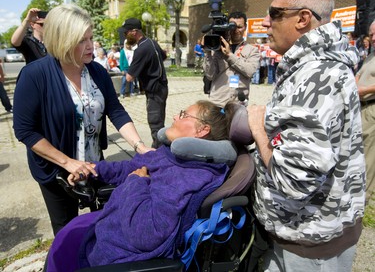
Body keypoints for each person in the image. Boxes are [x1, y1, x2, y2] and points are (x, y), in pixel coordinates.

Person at [247, 0, 365, 271]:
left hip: (308, 243)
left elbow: (292, 182)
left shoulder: (316, 77)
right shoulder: (320, 65)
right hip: (317, 232)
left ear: (302, 18)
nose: (264, 22)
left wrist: (258, 129)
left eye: (274, 13)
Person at [45, 100, 237, 272]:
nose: (174, 117)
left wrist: (137, 182)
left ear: (202, 130)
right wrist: (94, 169)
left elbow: (148, 233)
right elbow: (133, 166)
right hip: (119, 221)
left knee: (64, 248)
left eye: (183, 115)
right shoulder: (175, 155)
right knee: (67, 235)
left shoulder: (189, 174)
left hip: (124, 252)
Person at [12, 4, 152, 236]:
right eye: (81, 40)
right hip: (56, 171)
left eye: (91, 37)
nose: (90, 46)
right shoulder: (34, 75)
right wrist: (68, 162)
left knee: (103, 223)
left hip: (95, 164)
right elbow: (25, 131)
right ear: (62, 40)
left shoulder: (97, 71)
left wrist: (139, 146)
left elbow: (115, 111)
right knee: (67, 232)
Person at [124, 18, 168, 148]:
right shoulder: (152, 42)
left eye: (126, 33)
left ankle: (159, 152)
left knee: (155, 123)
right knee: (159, 120)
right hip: (162, 87)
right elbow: (163, 56)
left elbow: (129, 77)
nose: (125, 36)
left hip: (154, 90)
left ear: (134, 32)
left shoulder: (141, 49)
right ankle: (161, 146)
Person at [204, 11, 259, 107]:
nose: (236, 30)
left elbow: (249, 71)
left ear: (245, 27)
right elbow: (210, 75)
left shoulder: (252, 50)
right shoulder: (217, 47)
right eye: (232, 26)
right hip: (218, 103)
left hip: (238, 103)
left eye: (239, 27)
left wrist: (229, 55)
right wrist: (208, 51)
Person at [356, 20, 375, 204]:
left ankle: (364, 197)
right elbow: (360, 74)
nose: (373, 38)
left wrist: (362, 91)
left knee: (369, 153)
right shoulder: (371, 55)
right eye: (371, 34)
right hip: (361, 106)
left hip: (372, 108)